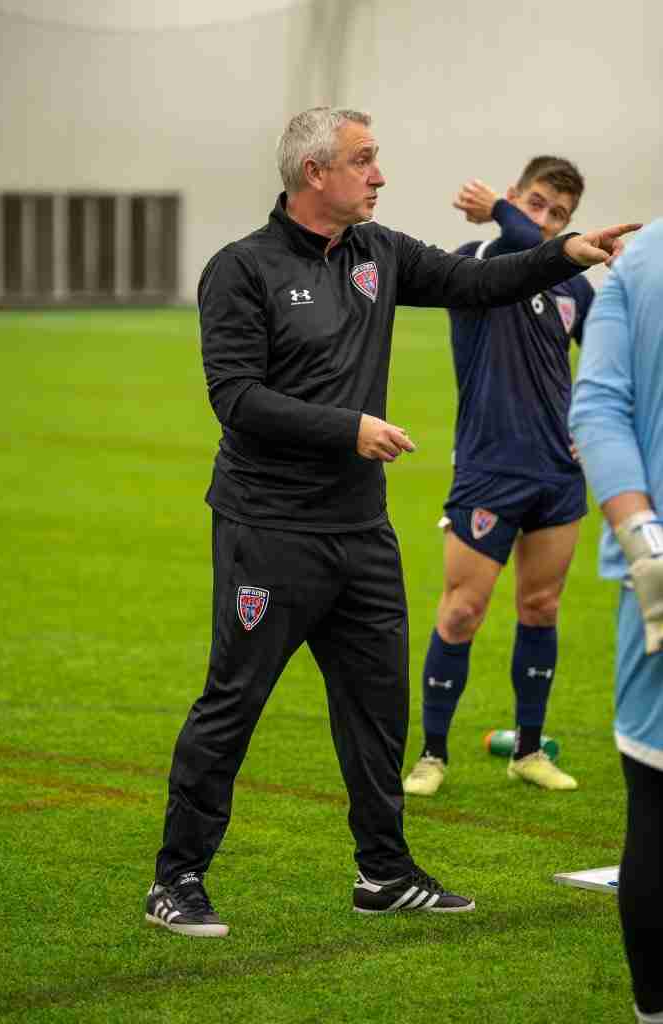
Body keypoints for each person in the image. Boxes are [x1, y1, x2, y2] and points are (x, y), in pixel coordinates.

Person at [144, 106, 636, 937]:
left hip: (360, 533)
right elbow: (236, 398)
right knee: (234, 701)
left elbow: (476, 282)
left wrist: (558, 255)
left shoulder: (381, 253)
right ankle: (176, 878)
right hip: (270, 529)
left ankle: (383, 872)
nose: (380, 175)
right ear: (315, 175)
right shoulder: (242, 269)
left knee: (377, 707)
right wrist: (350, 428)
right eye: (365, 160)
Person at [404, 157, 594, 798]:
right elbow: (521, 245)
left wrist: (588, 427)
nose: (545, 222)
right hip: (488, 468)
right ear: (513, 198)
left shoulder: (575, 286)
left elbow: (605, 358)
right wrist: (514, 224)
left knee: (541, 607)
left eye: (560, 215)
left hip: (556, 474)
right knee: (462, 613)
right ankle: (432, 756)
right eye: (536, 204)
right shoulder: (474, 261)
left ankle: (530, 751)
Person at [569, 218, 663, 1024]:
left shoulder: (641, 262)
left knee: (658, 806)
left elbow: (598, 410)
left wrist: (646, 545)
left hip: (656, 572)